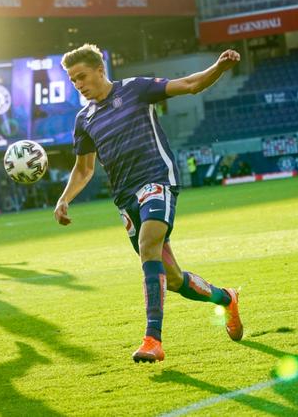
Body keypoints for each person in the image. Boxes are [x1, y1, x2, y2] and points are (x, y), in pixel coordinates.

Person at [55, 44, 243, 363]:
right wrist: (64, 198)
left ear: (100, 70)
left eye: (82, 77)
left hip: (156, 178)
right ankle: (226, 299)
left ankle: (152, 340)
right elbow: (85, 169)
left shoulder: (135, 89)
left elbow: (188, 85)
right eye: (73, 81)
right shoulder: (84, 119)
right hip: (126, 198)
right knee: (172, 279)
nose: (79, 85)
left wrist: (218, 68)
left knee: (148, 245)